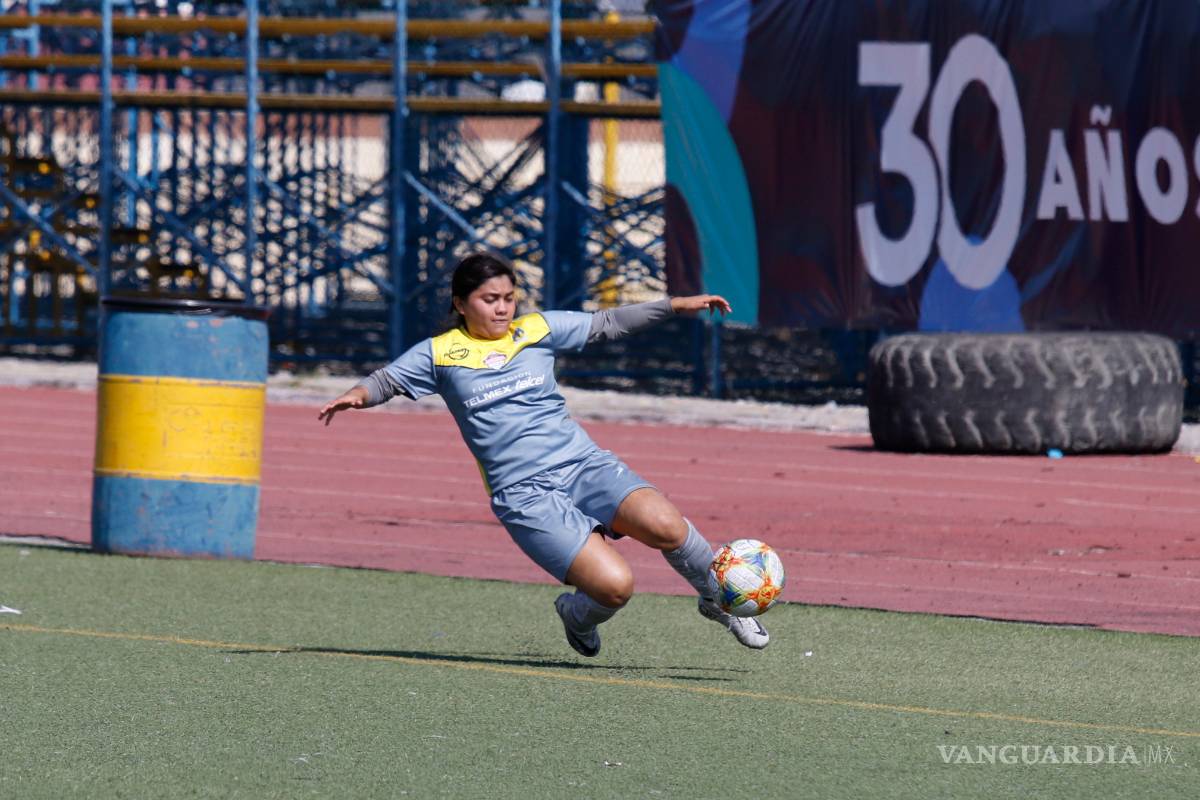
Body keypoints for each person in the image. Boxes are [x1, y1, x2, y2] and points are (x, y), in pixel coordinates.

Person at [318, 252, 769, 656]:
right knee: (615, 588)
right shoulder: (440, 353)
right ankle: (577, 615)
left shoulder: (536, 329)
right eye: (489, 298)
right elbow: (386, 381)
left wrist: (674, 305)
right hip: (524, 495)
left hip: (582, 465)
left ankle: (719, 598)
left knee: (667, 525)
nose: (502, 308)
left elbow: (605, 323)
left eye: (509, 297)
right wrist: (355, 396)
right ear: (460, 304)